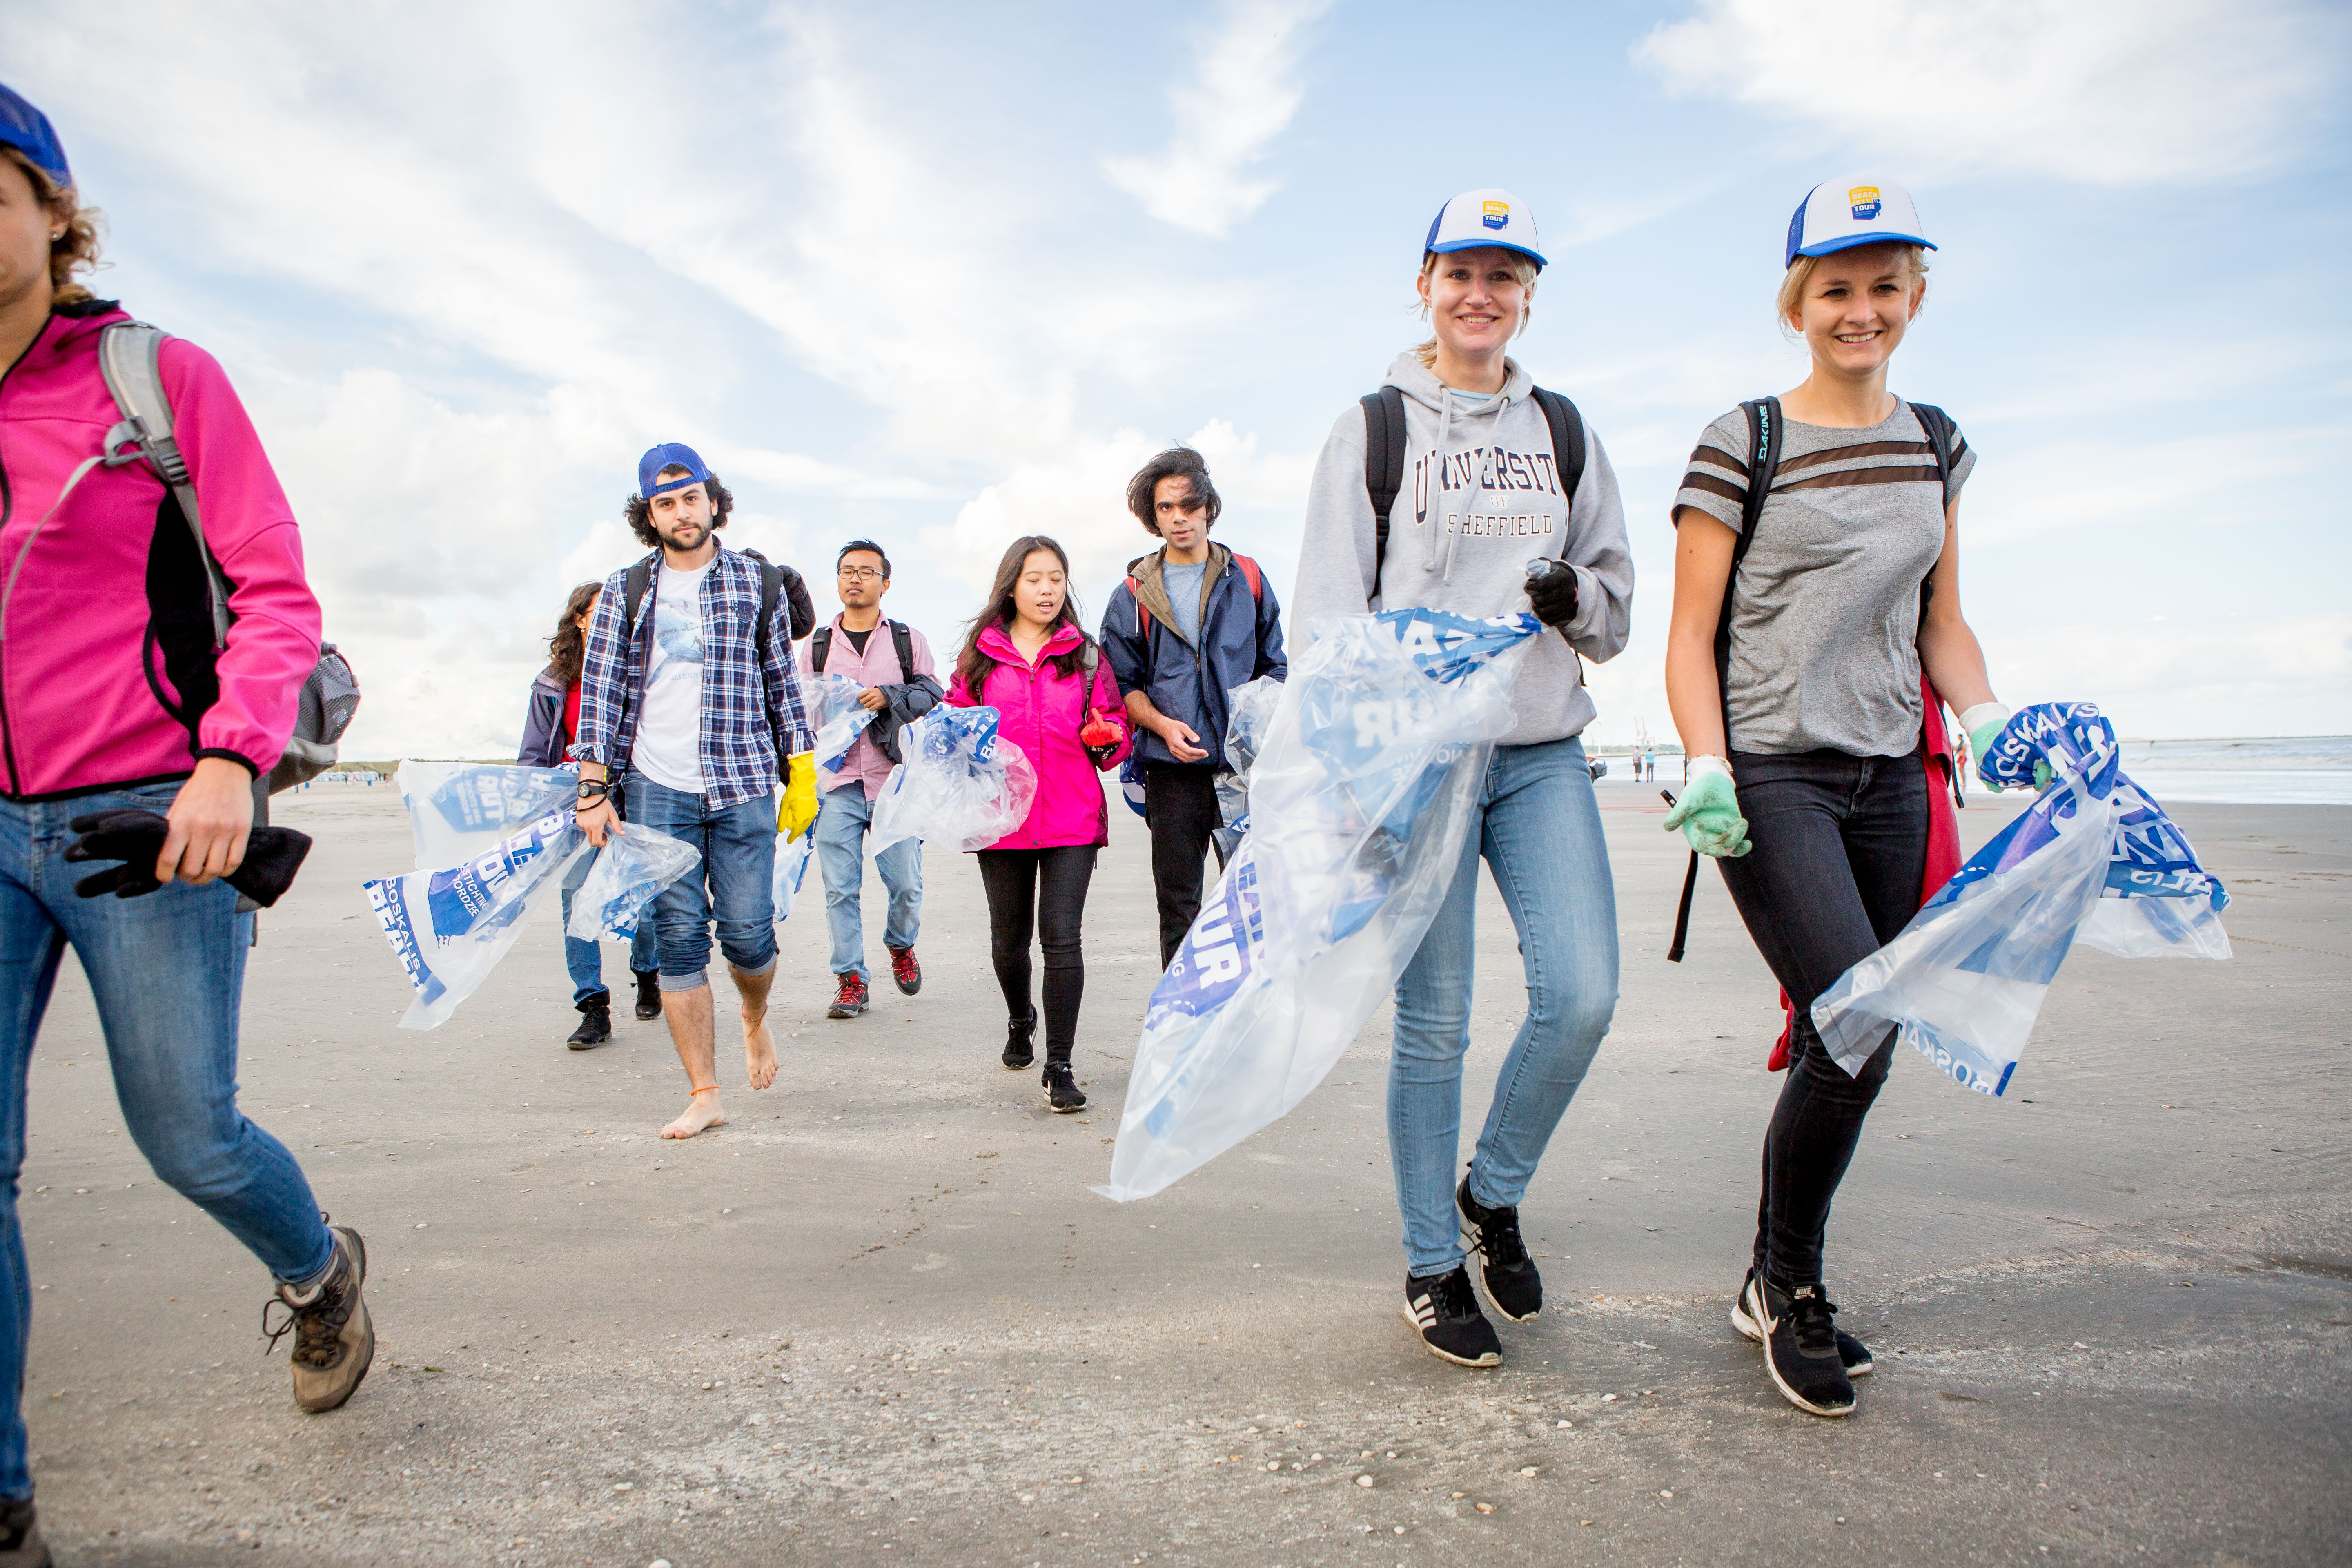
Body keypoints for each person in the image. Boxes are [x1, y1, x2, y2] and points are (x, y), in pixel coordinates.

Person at [0, 84, 374, 1563]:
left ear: (52, 210)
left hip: (153, 818)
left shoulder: (153, 381)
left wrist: (231, 761)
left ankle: (320, 1270)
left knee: (187, 1137)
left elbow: (275, 592)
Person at [1662, 176, 2015, 1419]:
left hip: (1890, 775)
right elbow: (1690, 633)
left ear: (1913, 297)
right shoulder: (1742, 440)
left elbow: (1944, 622)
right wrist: (1705, 762)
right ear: (1796, 302)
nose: (1859, 309)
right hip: (1769, 772)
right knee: (1854, 1024)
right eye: (1835, 289)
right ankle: (1792, 1284)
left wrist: (1987, 716)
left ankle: (1771, 1273)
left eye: (1882, 287)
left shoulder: (1935, 441)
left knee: (1852, 1032)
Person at [1293, 188, 1633, 1370]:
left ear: (1528, 294)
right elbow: (1328, 624)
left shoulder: (1566, 432)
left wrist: (1570, 599)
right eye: (1460, 273)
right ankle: (1432, 1262)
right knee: (1432, 1024)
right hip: (1415, 760)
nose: (1481, 295)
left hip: (1539, 750)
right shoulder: (1373, 429)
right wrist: (1352, 783)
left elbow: (1615, 609)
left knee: (1583, 993)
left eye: (1506, 276)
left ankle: (1491, 1192)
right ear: (1426, 286)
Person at [571, 443, 814, 1140]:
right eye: (665, 503)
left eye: (691, 497)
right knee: (678, 942)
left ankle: (754, 1016)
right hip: (655, 789)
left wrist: (800, 770)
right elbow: (604, 692)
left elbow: (781, 683)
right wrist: (594, 788)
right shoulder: (626, 590)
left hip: (741, 783)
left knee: (747, 936)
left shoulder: (756, 583)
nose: (682, 513)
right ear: (649, 514)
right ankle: (705, 1092)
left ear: (713, 499)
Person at [944, 537, 1131, 1112]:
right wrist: (960, 743)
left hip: (1072, 815)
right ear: (1011, 586)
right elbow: (953, 723)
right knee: (1009, 941)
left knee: (1063, 939)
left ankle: (1060, 1065)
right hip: (1002, 820)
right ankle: (1020, 1017)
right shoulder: (981, 655)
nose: (1047, 589)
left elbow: (1115, 721)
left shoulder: (1086, 655)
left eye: (1056, 578)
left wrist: (1110, 740)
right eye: (1034, 579)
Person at [1102, 446, 1287, 968]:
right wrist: (1162, 726)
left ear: (1209, 507)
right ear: (1152, 516)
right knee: (1179, 910)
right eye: (1166, 508)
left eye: (1189, 505)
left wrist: (1249, 737)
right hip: (1170, 772)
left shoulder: (1246, 578)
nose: (1179, 517)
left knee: (1251, 905)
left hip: (1242, 773)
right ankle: (1184, 1028)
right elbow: (1123, 683)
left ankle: (1248, 1025)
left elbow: (1276, 668)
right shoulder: (1134, 593)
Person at [799, 540, 942, 1019]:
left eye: (866, 571)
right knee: (840, 889)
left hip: (894, 782)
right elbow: (801, 710)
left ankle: (901, 945)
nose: (855, 579)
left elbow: (932, 694)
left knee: (906, 884)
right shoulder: (817, 647)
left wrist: (888, 696)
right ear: (838, 580)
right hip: (837, 784)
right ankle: (851, 980)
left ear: (886, 582)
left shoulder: (907, 640)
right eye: (847, 571)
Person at [521, 581, 659, 1045]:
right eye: (598, 613)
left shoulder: (640, 670)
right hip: (578, 805)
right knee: (576, 900)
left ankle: (647, 972)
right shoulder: (554, 682)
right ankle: (593, 1006)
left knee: (642, 899)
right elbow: (534, 754)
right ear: (579, 618)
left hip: (637, 796)